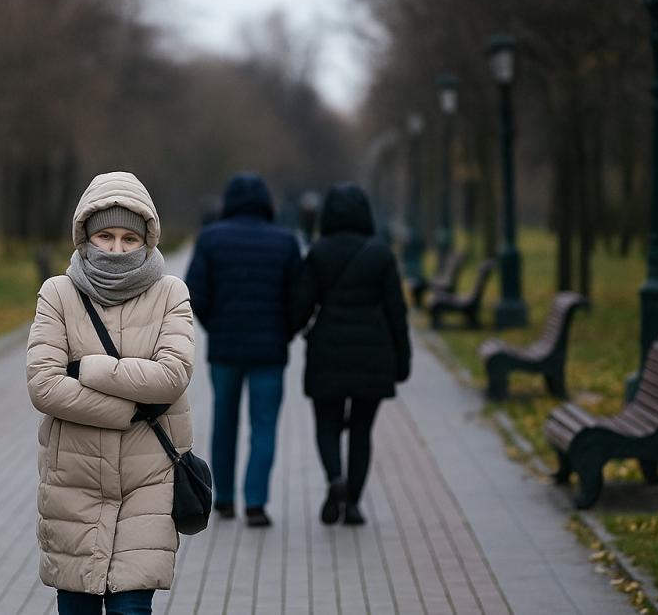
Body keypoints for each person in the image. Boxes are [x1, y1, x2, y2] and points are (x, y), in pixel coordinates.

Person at [27, 171, 195, 615]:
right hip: (73, 482)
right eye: (105, 236)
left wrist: (87, 369)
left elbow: (173, 375)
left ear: (148, 241)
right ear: (85, 236)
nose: (117, 249)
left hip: (149, 480)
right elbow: (44, 385)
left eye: (128, 238)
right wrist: (129, 409)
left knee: (131, 609)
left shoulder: (170, 293)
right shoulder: (58, 294)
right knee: (77, 606)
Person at [183, 173, 301, 528]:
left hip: (225, 349)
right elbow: (299, 298)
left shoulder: (210, 239)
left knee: (224, 422)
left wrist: (215, 327)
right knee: (263, 426)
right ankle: (256, 503)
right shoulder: (286, 241)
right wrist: (284, 332)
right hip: (270, 351)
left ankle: (225, 500)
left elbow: (194, 294)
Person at [290, 182, 410, 526]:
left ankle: (335, 480)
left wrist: (291, 329)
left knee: (326, 425)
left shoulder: (319, 252)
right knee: (361, 430)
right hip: (374, 353)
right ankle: (354, 502)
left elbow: (302, 304)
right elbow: (396, 312)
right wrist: (403, 359)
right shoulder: (381, 253)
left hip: (327, 349)